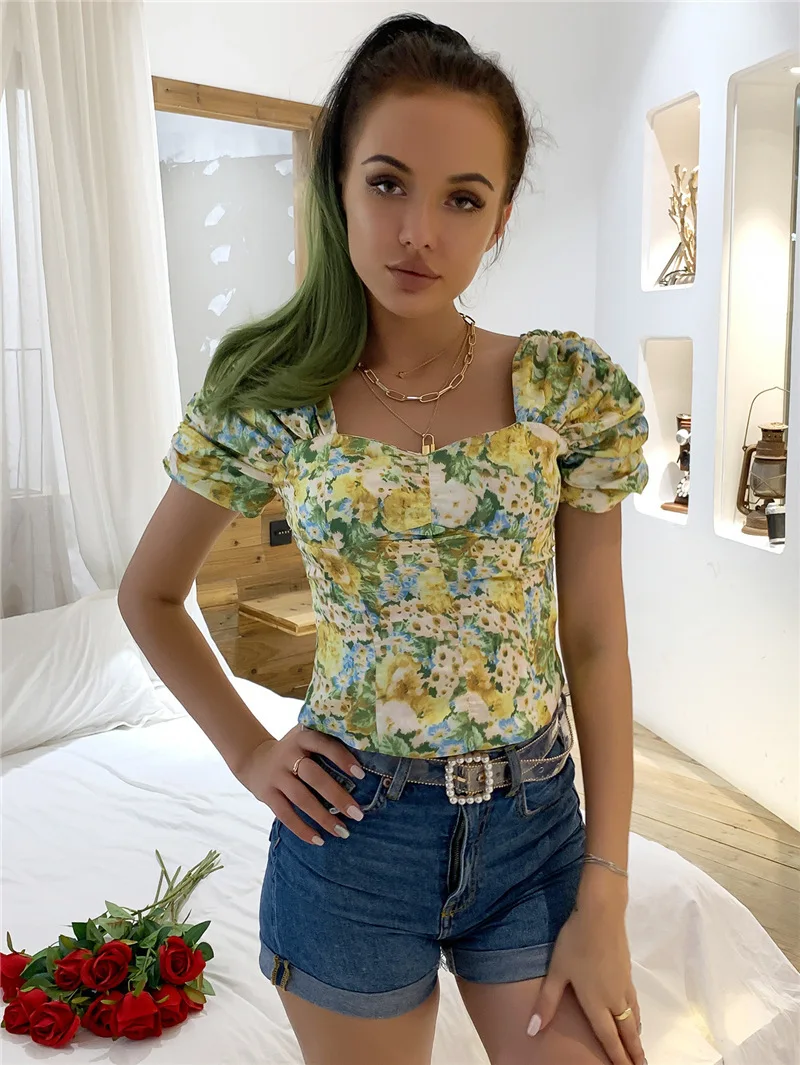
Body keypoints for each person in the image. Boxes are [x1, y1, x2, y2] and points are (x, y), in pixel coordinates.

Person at [119, 13, 650, 1065]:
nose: (419, 232)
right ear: (338, 185)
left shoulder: (565, 389)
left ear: (500, 219)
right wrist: (251, 751)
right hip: (350, 839)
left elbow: (593, 642)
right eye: (388, 183)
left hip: (535, 829)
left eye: (463, 199)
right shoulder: (274, 395)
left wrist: (606, 886)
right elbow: (150, 594)